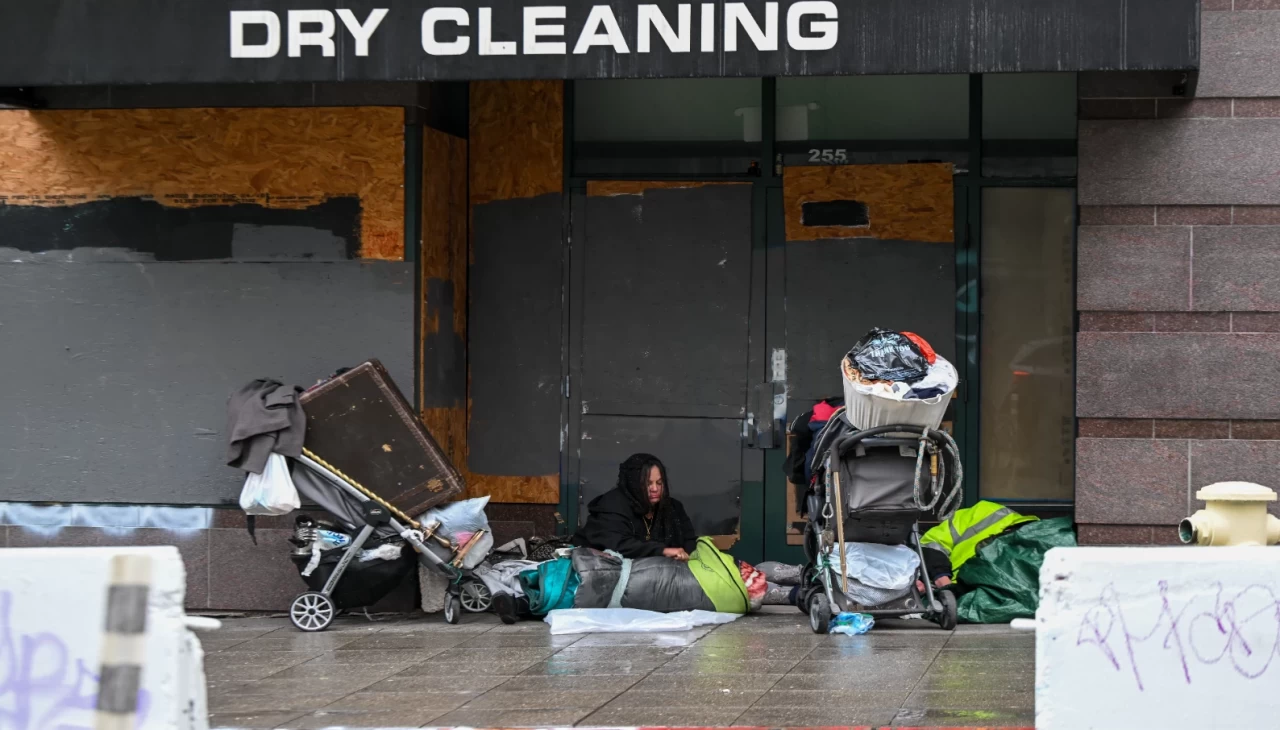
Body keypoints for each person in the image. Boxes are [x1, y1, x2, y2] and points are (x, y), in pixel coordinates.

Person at [573, 453, 697, 560]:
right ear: (633, 484)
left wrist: (684, 556)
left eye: (659, 483)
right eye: (647, 484)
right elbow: (617, 545)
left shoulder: (673, 508)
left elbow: (689, 540)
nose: (655, 489)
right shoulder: (612, 506)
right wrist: (663, 551)